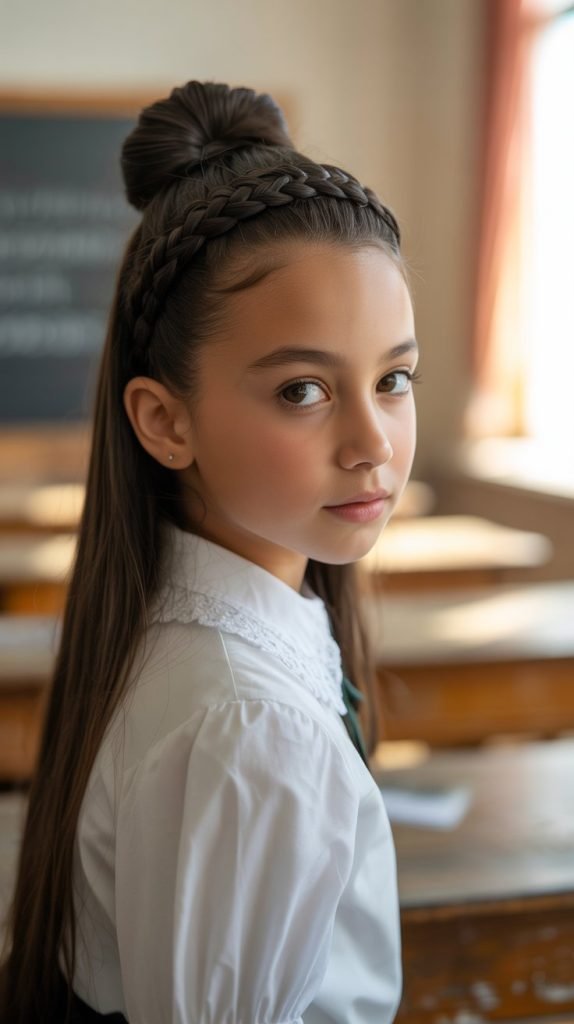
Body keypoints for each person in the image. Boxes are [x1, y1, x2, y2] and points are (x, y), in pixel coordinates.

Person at [1, 80, 418, 1023]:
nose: (374, 443)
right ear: (165, 419)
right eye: (303, 391)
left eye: (394, 378)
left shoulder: (204, 642)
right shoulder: (247, 728)